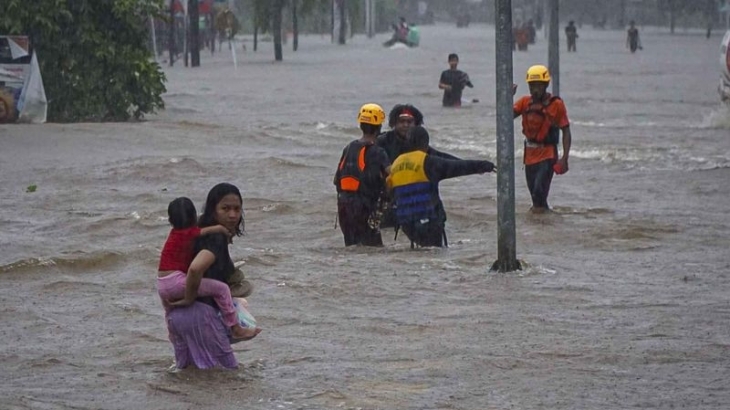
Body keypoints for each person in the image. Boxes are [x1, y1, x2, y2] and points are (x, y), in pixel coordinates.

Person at [164, 183, 262, 369]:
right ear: (213, 210)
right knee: (228, 375)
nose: (233, 215)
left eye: (237, 209)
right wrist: (190, 297)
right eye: (225, 209)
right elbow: (195, 268)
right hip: (200, 315)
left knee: (187, 376)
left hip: (177, 318)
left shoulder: (195, 233)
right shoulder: (216, 238)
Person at [157, 197, 257, 341]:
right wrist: (221, 229)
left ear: (171, 220)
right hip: (177, 282)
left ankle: (173, 335)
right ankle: (235, 328)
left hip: (162, 284)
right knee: (221, 289)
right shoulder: (189, 232)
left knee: (169, 310)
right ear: (193, 216)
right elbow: (205, 231)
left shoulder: (173, 234)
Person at [387, 126, 495, 248]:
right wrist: (485, 166)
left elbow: (389, 190)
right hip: (429, 222)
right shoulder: (428, 162)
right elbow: (458, 167)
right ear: (426, 143)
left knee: (419, 255)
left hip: (407, 225)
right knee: (435, 254)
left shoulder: (396, 164)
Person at [376, 104, 461, 229]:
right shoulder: (383, 141)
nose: (405, 125)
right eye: (402, 121)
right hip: (387, 194)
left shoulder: (418, 143)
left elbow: (440, 158)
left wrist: (464, 163)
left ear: (416, 124)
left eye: (409, 122)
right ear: (394, 123)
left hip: (410, 195)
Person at [513, 65, 572, 213]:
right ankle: (542, 224)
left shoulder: (556, 105)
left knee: (539, 191)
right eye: (532, 86)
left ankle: (542, 223)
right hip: (530, 155)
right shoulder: (524, 102)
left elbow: (566, 131)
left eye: (538, 86)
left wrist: (564, 158)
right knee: (535, 197)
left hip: (547, 155)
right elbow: (505, 116)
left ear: (545, 85)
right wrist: (508, 96)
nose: (534, 90)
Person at [334, 104, 391, 246]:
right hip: (365, 208)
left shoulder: (348, 147)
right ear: (379, 127)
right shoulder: (379, 152)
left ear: (361, 125)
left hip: (344, 208)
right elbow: (392, 178)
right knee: (374, 249)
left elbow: (337, 181)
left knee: (352, 248)